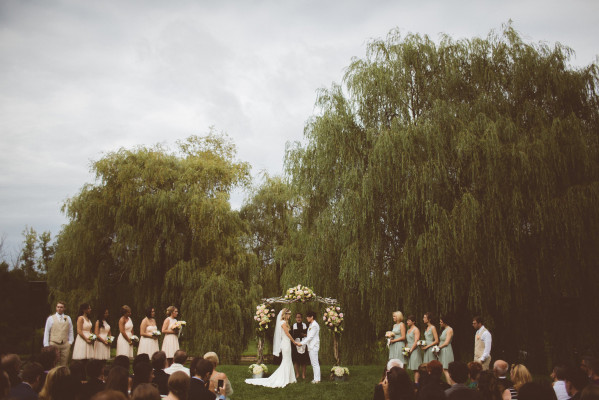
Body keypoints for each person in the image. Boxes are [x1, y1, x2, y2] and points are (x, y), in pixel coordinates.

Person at [245, 308, 300, 388]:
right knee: (286, 360)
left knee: (288, 360)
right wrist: (294, 342)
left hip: (287, 343)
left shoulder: (285, 322)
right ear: (285, 314)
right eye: (289, 314)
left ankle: (290, 378)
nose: (289, 316)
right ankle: (284, 378)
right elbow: (287, 334)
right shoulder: (283, 323)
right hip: (285, 343)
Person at [43, 301, 74, 366]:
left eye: (61, 307)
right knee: (54, 363)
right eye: (58, 307)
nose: (59, 308)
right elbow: (47, 332)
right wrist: (46, 345)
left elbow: (71, 330)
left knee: (64, 364)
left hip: (65, 344)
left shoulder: (68, 318)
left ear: (64, 308)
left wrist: (70, 342)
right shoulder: (50, 318)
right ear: (56, 308)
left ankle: (63, 376)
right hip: (54, 343)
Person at [302, 310, 321, 383]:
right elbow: (309, 335)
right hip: (311, 346)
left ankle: (317, 379)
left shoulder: (315, 325)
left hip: (313, 346)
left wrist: (301, 343)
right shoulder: (311, 325)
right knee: (314, 363)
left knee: (315, 363)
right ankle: (316, 378)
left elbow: (310, 337)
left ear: (312, 317)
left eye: (308, 317)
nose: (306, 318)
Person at [291, 313, 309, 380]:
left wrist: (304, 335)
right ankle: (297, 374)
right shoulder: (293, 326)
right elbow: (292, 335)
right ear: (295, 318)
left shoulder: (305, 325)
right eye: (297, 317)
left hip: (304, 344)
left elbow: (308, 334)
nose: (298, 319)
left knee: (304, 361)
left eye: (300, 317)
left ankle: (303, 374)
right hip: (296, 344)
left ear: (302, 318)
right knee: (296, 360)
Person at [406, 315, 423, 383]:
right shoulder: (408, 330)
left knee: (416, 368)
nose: (407, 322)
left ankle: (417, 383)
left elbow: (416, 341)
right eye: (407, 320)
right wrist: (406, 349)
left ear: (413, 322)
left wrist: (411, 350)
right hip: (409, 349)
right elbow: (408, 341)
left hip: (414, 349)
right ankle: (417, 382)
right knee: (413, 368)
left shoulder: (416, 329)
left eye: (409, 321)